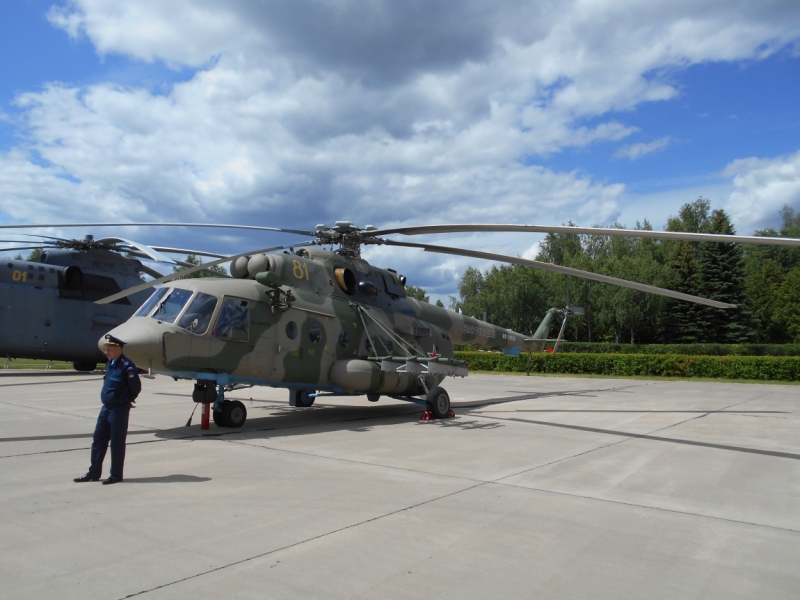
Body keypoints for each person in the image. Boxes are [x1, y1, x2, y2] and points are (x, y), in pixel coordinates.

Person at [74, 334, 141, 485]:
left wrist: (126, 400)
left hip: (119, 409)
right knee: (98, 440)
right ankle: (93, 472)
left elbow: (135, 388)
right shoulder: (110, 364)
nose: (106, 352)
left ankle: (115, 475)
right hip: (106, 408)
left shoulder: (127, 366)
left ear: (118, 349)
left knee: (117, 442)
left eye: (109, 349)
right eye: (106, 349)